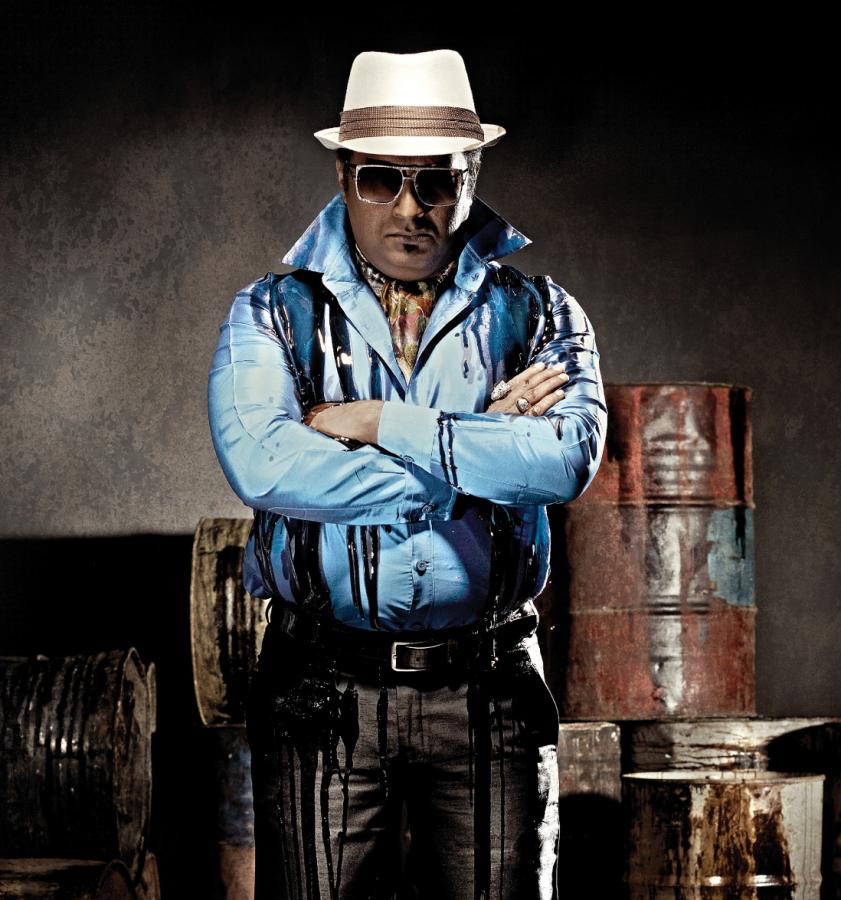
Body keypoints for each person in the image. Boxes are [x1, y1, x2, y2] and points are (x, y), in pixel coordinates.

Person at [208, 49, 607, 900]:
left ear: (471, 177)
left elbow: (566, 458)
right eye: (381, 178)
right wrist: (472, 458)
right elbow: (266, 465)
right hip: (319, 687)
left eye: (435, 182)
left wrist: (379, 424)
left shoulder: (540, 313)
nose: (409, 208)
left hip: (493, 687)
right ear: (343, 174)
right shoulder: (271, 313)